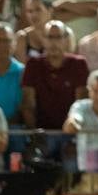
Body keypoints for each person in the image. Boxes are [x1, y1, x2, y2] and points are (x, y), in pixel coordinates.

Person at [21, 19, 89, 164]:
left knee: (71, 168)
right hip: (42, 134)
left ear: (66, 39)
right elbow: (28, 104)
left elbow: (81, 105)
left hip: (70, 134)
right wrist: (35, 135)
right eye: (49, 37)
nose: (53, 42)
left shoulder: (79, 64)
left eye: (58, 37)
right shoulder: (33, 65)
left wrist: (72, 137)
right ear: (43, 40)